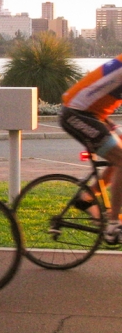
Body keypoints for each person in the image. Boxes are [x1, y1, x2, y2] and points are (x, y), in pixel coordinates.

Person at [59, 54, 122, 244]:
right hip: (77, 114)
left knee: (118, 155)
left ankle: (86, 197)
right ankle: (113, 224)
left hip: (94, 115)